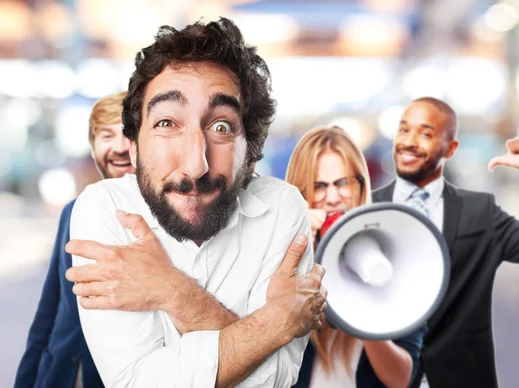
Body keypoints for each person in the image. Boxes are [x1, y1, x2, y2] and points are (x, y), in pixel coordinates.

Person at [63, 18, 326, 388]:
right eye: (168, 123)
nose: (196, 165)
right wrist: (276, 323)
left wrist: (168, 289)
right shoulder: (103, 209)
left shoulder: (282, 208)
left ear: (249, 154)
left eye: (221, 126)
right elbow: (134, 382)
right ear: (134, 150)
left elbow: (278, 382)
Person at [372, 97, 519, 388]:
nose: (409, 141)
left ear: (450, 148)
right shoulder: (366, 210)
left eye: (426, 134)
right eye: (404, 130)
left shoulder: (479, 212)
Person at [286, 125, 426, 388]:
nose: (332, 197)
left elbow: (401, 379)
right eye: (318, 186)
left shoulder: (397, 260)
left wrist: (363, 313)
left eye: (342, 183)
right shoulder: (278, 259)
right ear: (299, 194)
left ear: (361, 185)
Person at [15, 91, 133, 388]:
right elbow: (49, 311)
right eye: (106, 136)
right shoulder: (74, 211)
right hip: (57, 375)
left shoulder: (167, 218)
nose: (118, 148)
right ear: (93, 147)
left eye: (127, 135)